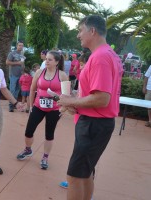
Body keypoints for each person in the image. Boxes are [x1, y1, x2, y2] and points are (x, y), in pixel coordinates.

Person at [57, 15, 123, 200]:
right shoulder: (108, 54)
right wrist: (75, 103)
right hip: (95, 123)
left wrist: (70, 102)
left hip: (94, 125)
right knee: (85, 173)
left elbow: (102, 99)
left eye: (80, 30)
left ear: (92, 31)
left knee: (75, 176)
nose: (78, 35)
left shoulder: (101, 57)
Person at [16, 50, 68, 170]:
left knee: (49, 134)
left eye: (50, 59)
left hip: (54, 109)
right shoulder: (39, 72)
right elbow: (32, 89)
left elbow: (67, 94)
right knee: (29, 130)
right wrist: (30, 106)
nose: (47, 61)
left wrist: (62, 109)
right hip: (38, 106)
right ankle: (27, 149)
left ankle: (45, 157)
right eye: (46, 59)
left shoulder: (62, 75)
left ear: (56, 62)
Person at [59, 50, 92, 190]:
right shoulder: (83, 76)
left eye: (84, 64)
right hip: (80, 120)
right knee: (79, 155)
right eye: (81, 64)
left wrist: (71, 102)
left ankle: (80, 186)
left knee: (86, 160)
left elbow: (91, 100)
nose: (81, 67)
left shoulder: (93, 77)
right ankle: (74, 181)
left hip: (89, 123)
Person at [6, 41, 25, 112]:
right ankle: (10, 106)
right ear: (17, 46)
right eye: (19, 45)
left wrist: (24, 71)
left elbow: (23, 64)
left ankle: (14, 104)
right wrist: (18, 63)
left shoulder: (22, 54)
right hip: (13, 75)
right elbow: (7, 62)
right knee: (12, 90)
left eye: (22, 45)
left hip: (20, 75)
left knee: (17, 90)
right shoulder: (12, 53)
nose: (21, 47)